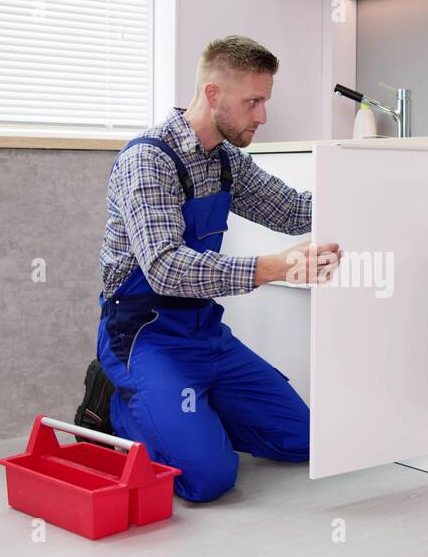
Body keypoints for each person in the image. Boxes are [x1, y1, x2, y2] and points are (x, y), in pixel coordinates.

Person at [96, 35, 341, 502]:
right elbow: (165, 269)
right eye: (253, 101)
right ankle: (123, 407)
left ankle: (190, 415)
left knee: (306, 440)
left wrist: (369, 194)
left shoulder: (224, 160)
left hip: (203, 333)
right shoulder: (149, 160)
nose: (262, 116)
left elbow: (291, 210)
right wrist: (275, 267)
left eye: (264, 101)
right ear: (213, 95)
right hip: (145, 338)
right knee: (209, 480)